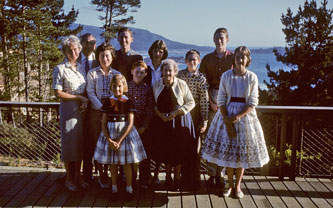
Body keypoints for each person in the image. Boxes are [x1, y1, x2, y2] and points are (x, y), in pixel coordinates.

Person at [201, 46, 270, 198]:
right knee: (228, 155)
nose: (240, 60)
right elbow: (221, 100)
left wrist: (237, 117)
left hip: (245, 118)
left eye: (243, 57)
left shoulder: (252, 77)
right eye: (238, 57)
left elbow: (253, 102)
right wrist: (227, 121)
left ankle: (238, 186)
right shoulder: (226, 76)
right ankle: (229, 185)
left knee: (241, 155)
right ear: (234, 59)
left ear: (248, 60)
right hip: (226, 114)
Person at [93, 74, 147, 199]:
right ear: (111, 87)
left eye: (119, 86)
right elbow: (104, 122)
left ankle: (129, 188)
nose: (117, 89)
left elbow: (131, 122)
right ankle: (114, 188)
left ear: (124, 87)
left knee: (126, 163)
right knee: (113, 163)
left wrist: (119, 140)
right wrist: (109, 140)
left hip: (125, 136)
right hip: (111, 135)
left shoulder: (128, 102)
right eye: (114, 86)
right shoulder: (107, 102)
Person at [151, 59, 196, 191]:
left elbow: (191, 102)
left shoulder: (181, 84)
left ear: (174, 72)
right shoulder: (157, 84)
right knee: (165, 150)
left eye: (170, 70)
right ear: (162, 72)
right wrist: (160, 115)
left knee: (179, 151)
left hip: (179, 121)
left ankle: (176, 178)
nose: (168, 73)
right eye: (165, 70)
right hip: (162, 122)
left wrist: (176, 113)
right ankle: (168, 177)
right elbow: (152, 103)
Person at [53, 35, 89, 192]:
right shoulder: (60, 68)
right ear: (65, 51)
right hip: (69, 110)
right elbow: (58, 93)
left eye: (76, 49)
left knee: (80, 144)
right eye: (70, 50)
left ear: (79, 49)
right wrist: (78, 97)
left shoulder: (81, 67)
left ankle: (78, 178)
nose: (73, 53)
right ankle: (69, 178)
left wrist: (84, 99)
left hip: (82, 110)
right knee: (69, 145)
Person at [199, 27, 233, 188]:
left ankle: (221, 174)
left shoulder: (233, 58)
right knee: (211, 139)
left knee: (224, 139)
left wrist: (224, 105)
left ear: (227, 39)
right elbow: (203, 83)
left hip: (228, 100)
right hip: (211, 97)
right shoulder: (206, 59)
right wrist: (211, 103)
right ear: (213, 39)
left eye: (222, 38)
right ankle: (211, 174)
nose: (219, 40)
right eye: (217, 38)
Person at [85, 43, 120, 187]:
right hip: (96, 113)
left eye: (107, 55)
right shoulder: (92, 73)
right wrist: (102, 109)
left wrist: (109, 109)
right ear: (98, 57)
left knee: (110, 143)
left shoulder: (117, 74)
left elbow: (119, 93)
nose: (105, 58)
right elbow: (90, 92)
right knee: (97, 144)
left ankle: (113, 176)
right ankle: (101, 175)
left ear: (112, 57)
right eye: (102, 56)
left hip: (112, 114)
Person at [177, 49, 209, 189]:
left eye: (194, 59)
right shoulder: (180, 75)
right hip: (182, 114)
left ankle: (196, 180)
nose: (192, 62)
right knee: (183, 147)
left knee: (196, 149)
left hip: (195, 115)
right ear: (185, 61)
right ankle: (184, 179)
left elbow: (204, 101)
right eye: (189, 59)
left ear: (199, 61)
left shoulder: (202, 78)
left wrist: (204, 120)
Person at [127, 60, 154, 189]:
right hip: (129, 123)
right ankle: (129, 178)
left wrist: (144, 126)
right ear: (132, 71)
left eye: (142, 72)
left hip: (143, 123)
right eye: (137, 71)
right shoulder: (126, 87)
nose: (139, 74)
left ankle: (144, 179)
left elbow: (149, 109)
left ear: (145, 74)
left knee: (144, 153)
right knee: (128, 152)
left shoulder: (147, 89)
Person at [145, 40, 168, 185]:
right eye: (155, 50)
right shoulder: (145, 65)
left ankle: (156, 174)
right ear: (151, 50)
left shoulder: (166, 67)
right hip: (146, 107)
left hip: (161, 109)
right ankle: (145, 175)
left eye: (160, 51)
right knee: (146, 143)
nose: (157, 53)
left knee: (160, 143)